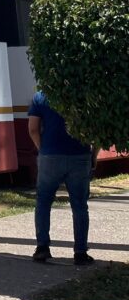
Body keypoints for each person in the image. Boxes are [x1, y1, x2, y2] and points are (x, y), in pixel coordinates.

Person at [28, 91, 97, 265]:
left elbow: (33, 129)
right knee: (80, 206)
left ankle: (42, 247)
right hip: (80, 155)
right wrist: (93, 156)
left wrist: (43, 150)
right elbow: (98, 131)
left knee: (43, 202)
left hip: (50, 156)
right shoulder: (87, 93)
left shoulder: (40, 97)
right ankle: (80, 252)